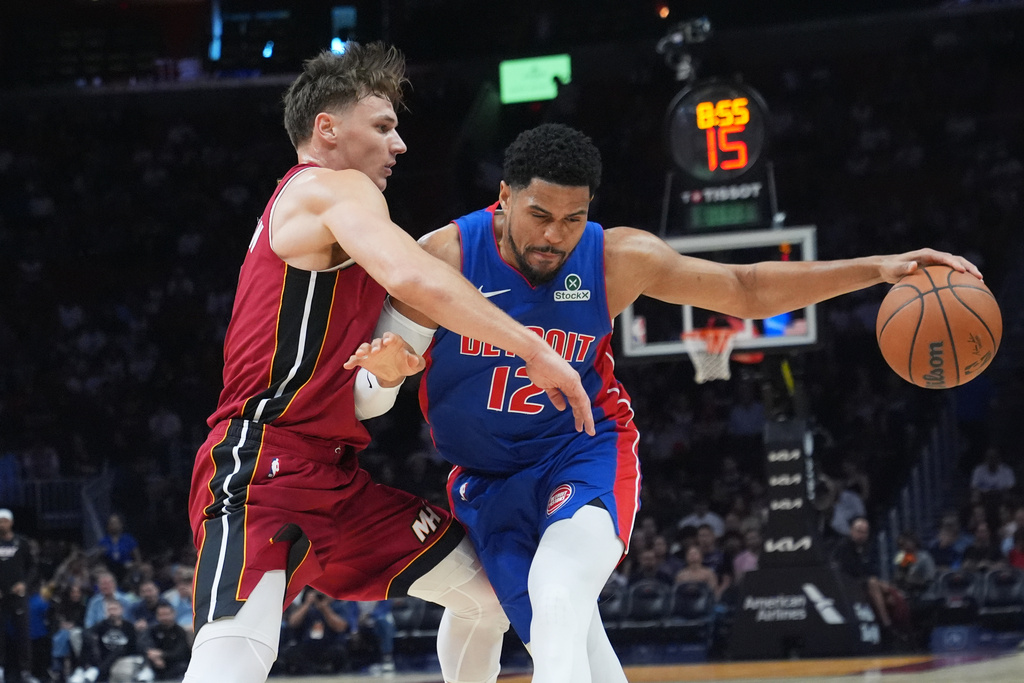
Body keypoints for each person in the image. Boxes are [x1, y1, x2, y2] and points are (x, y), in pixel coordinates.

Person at [347, 122, 981, 681]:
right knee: (563, 643)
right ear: (505, 197)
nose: (555, 237)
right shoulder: (443, 257)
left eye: (573, 219)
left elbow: (746, 287)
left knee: (558, 591)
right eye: (540, 215)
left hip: (584, 452)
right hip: (486, 480)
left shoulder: (614, 257)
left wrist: (877, 268)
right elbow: (368, 401)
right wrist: (387, 379)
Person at [182, 44, 594, 683]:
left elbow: (365, 394)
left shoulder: (347, 225)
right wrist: (534, 346)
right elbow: (414, 273)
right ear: (327, 129)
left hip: (337, 478)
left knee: (489, 596)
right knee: (231, 660)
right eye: (382, 126)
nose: (399, 144)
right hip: (261, 466)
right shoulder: (326, 189)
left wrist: (387, 371)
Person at [0, 508, 40, 683]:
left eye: (4, 521)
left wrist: (24, 584)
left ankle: (25, 672)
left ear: (11, 522)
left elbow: (33, 567)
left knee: (23, 634)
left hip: (18, 596)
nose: (2, 524)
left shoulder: (21, 542)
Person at [139, 602, 191, 681]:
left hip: (176, 664)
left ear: (173, 614)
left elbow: (181, 652)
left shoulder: (179, 631)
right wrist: (155, 658)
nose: (164, 617)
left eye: (167, 614)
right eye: (161, 615)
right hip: (155, 663)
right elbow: (144, 645)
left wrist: (162, 655)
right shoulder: (152, 630)